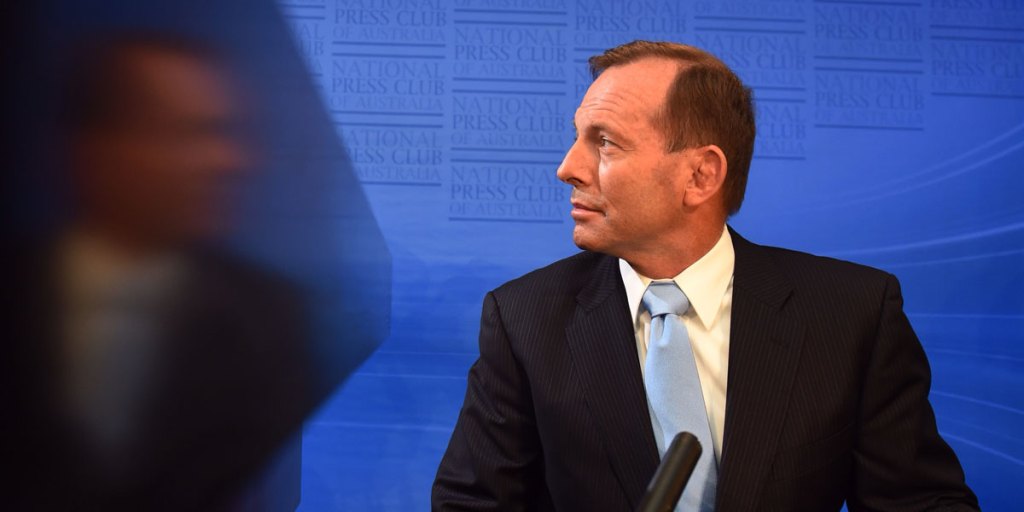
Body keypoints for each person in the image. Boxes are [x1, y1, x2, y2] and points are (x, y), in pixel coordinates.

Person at [432, 41, 978, 511]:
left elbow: (921, 503)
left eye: (605, 142)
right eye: (578, 137)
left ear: (700, 175)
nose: (568, 168)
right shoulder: (525, 319)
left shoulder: (851, 315)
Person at [3, 34, 313, 510]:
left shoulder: (270, 321)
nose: (231, 162)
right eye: (193, 133)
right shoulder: (14, 291)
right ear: (98, 150)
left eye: (228, 134)